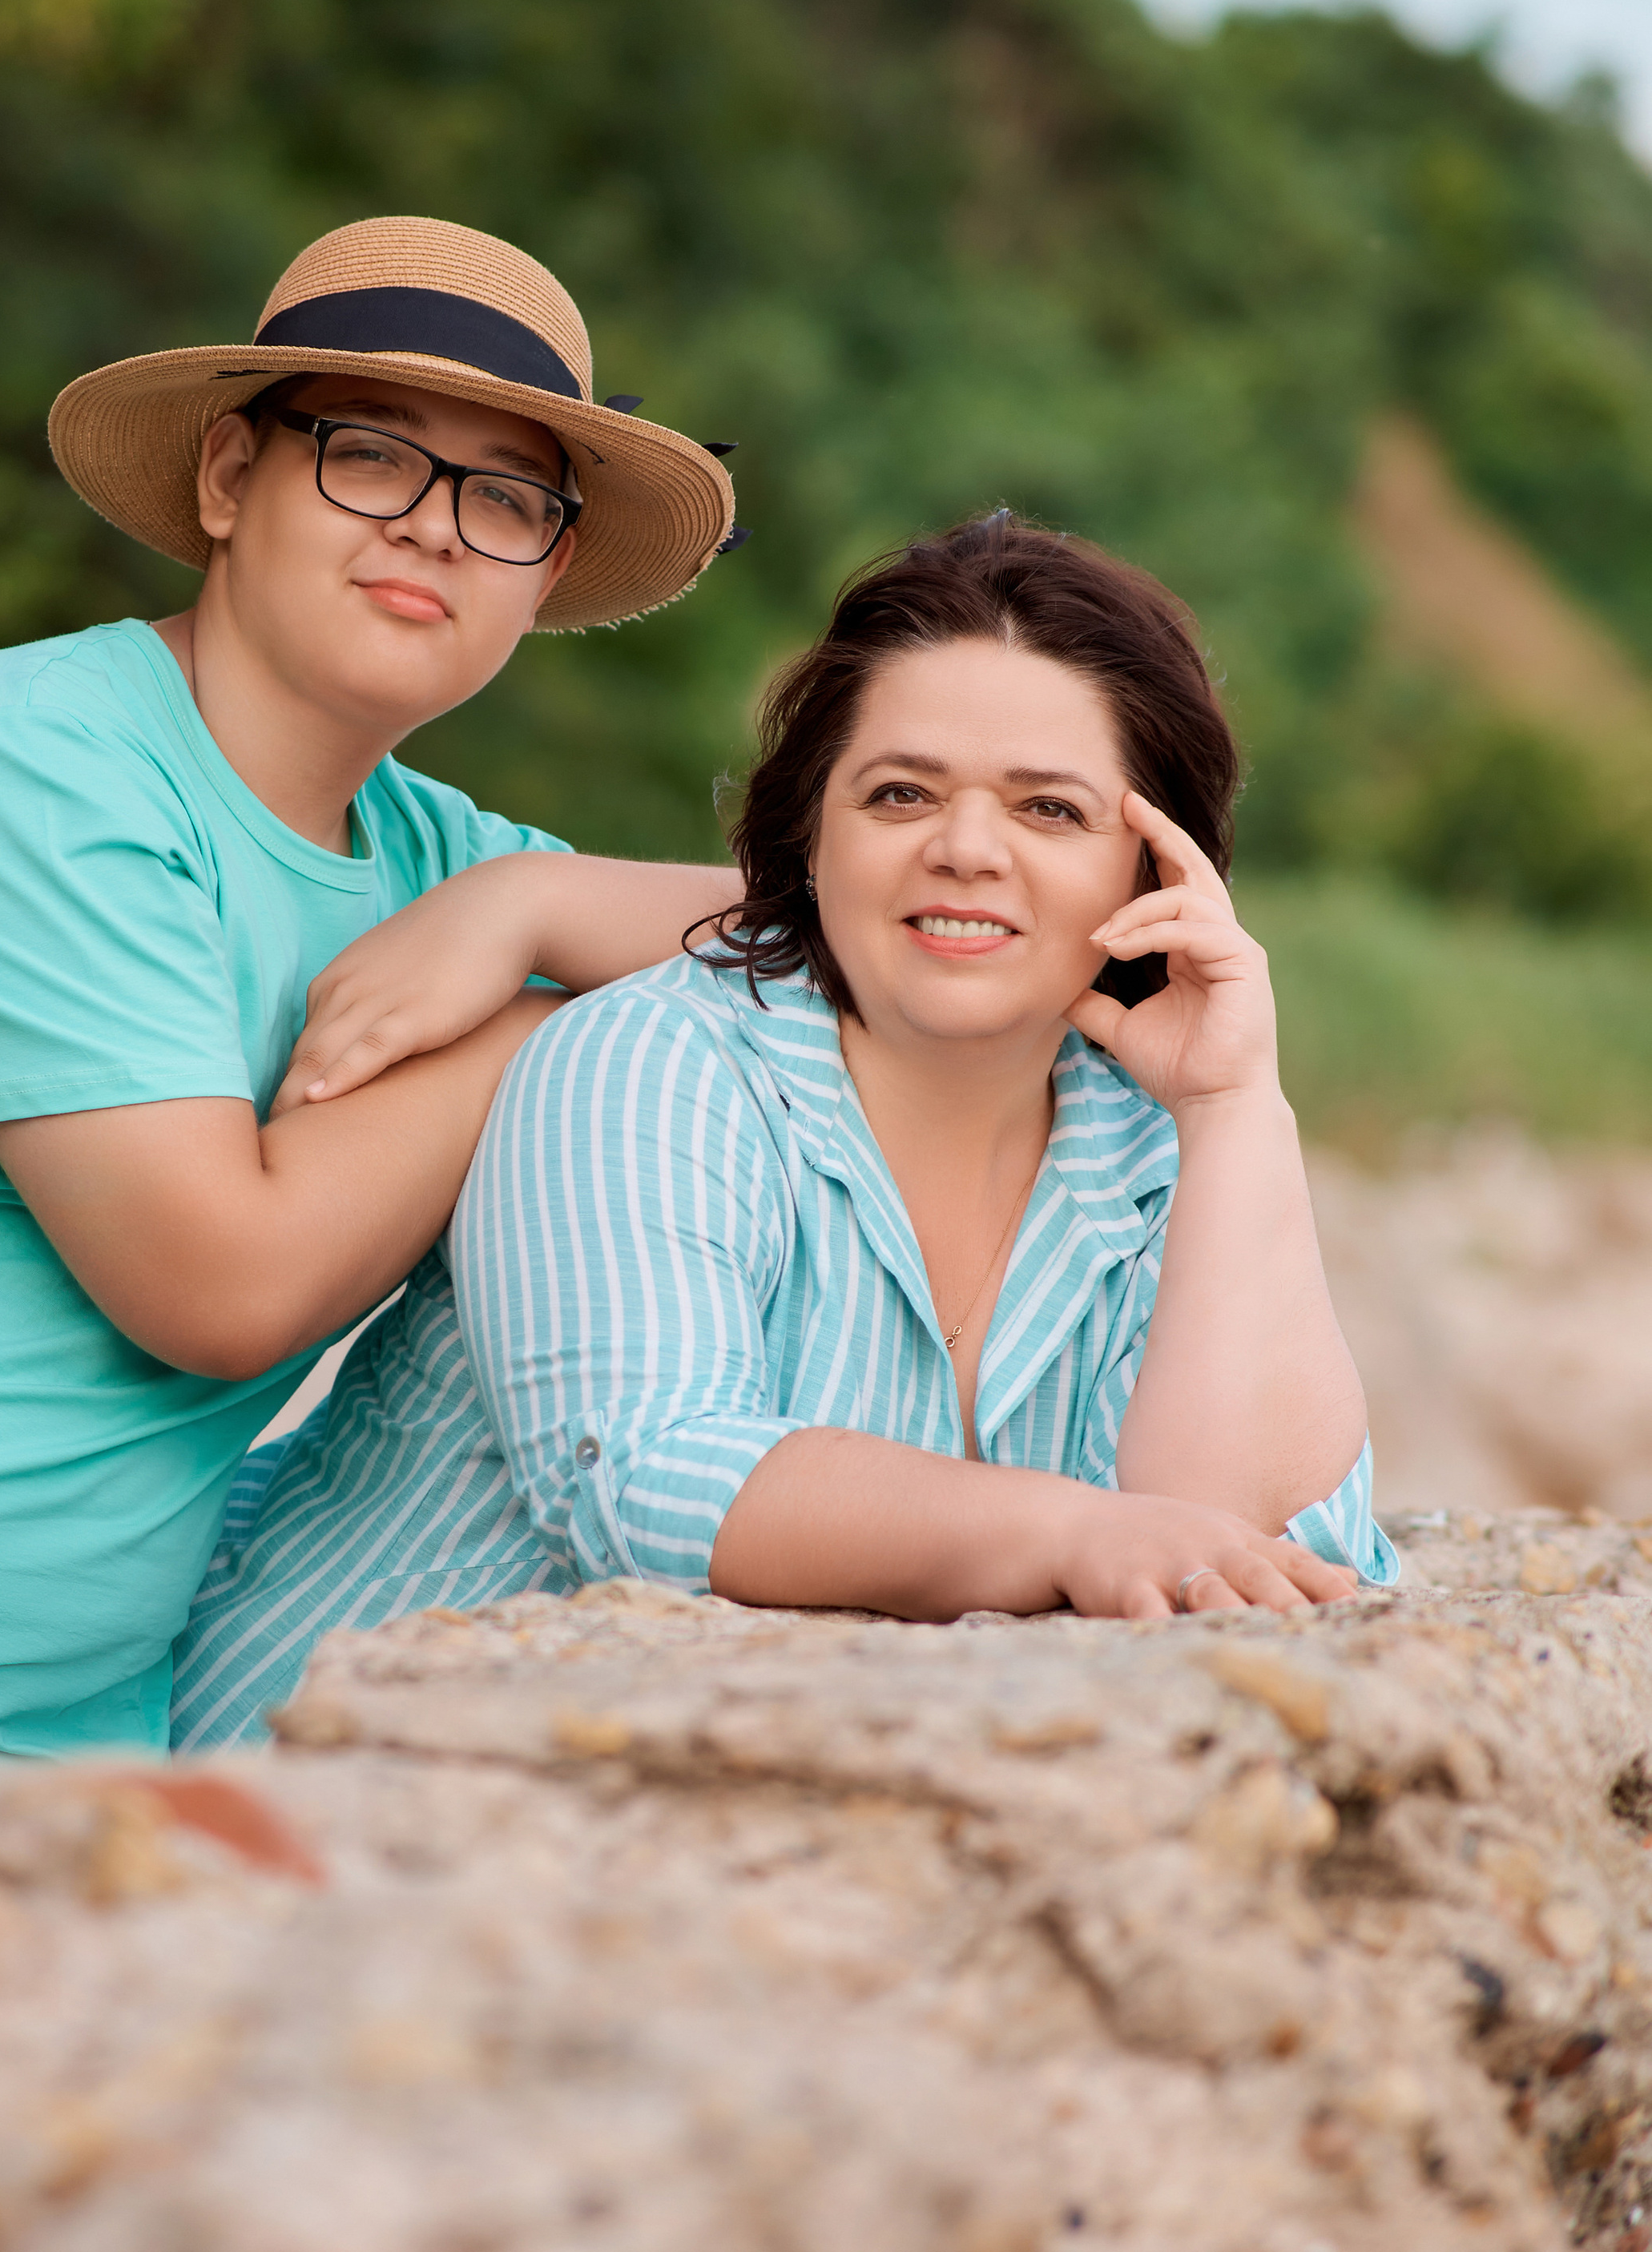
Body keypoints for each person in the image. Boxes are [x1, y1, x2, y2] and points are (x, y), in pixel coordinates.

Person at [0, 215, 745, 1913]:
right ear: (228, 478)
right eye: (369, 456)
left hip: (31, 1784)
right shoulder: (24, 764)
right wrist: (529, 1005)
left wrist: (539, 894)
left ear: (546, 571)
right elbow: (216, 1283)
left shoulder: (452, 870)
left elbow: (868, 940)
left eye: (505, 496)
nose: (433, 526)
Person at [173, 514, 1393, 1744]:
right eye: (901, 794)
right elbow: (649, 1475)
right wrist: (1070, 1528)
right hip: (310, 1797)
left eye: (1051, 812)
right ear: (814, 840)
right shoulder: (650, 1060)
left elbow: (1229, 1556)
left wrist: (1237, 1107)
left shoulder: (1146, 1143)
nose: (966, 850)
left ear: (1153, 880)